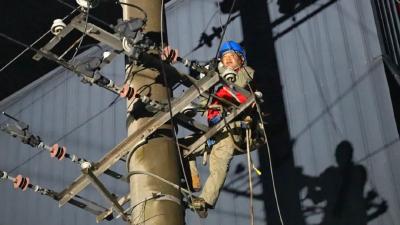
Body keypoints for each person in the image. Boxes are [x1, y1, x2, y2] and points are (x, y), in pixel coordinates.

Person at [163, 41, 257, 218]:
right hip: (215, 131)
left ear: (241, 60)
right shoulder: (218, 80)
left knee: (218, 161)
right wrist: (207, 80)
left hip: (232, 130)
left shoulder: (245, 73)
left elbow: (237, 89)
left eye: (232, 57)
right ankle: (192, 181)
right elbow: (204, 102)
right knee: (182, 146)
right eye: (225, 58)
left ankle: (205, 201)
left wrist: (218, 72)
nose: (228, 61)